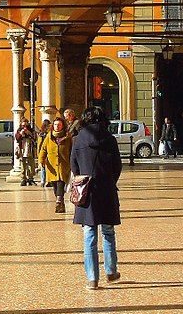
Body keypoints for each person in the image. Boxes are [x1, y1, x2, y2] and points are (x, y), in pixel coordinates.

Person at [70, 105, 122, 290]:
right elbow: (117, 166)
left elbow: (74, 166)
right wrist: (109, 180)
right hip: (107, 189)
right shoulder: (110, 139)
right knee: (108, 232)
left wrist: (83, 178)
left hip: (87, 191)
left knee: (89, 234)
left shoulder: (77, 140)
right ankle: (111, 271)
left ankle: (92, 278)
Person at [38, 116, 72, 213]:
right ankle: (60, 203)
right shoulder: (49, 136)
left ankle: (59, 201)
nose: (57, 127)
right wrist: (41, 161)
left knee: (61, 183)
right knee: (55, 186)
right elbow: (43, 149)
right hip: (51, 166)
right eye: (56, 125)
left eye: (59, 125)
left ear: (63, 126)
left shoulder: (67, 137)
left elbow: (72, 150)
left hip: (64, 165)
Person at [14, 118, 37, 186]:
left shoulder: (31, 130)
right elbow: (17, 139)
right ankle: (23, 179)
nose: (24, 127)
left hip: (30, 148)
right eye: (23, 125)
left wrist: (29, 133)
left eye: (26, 125)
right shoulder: (19, 130)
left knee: (31, 165)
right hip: (22, 149)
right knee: (23, 165)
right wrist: (21, 134)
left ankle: (31, 178)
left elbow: (35, 138)